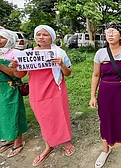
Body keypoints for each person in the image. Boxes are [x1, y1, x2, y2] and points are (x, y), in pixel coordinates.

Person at [11, 25, 75, 166]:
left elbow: (68, 73)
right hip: (37, 91)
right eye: (38, 34)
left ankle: (65, 142)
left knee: (60, 115)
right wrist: (15, 68)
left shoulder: (59, 52)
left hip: (56, 89)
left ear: (51, 37)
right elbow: (21, 74)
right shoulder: (28, 54)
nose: (41, 37)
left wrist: (62, 65)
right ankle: (49, 145)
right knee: (43, 118)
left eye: (45, 34)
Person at [89, 23, 121, 168]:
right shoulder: (100, 53)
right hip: (105, 92)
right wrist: (93, 95)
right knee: (106, 119)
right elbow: (96, 75)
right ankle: (105, 149)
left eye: (114, 32)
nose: (110, 34)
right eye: (108, 32)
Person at [0, 29, 28, 157]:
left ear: (9, 39)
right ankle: (9, 138)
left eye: (1, 38)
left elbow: (18, 73)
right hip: (0, 87)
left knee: (14, 112)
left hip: (10, 86)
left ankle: (18, 141)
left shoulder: (16, 53)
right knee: (3, 114)